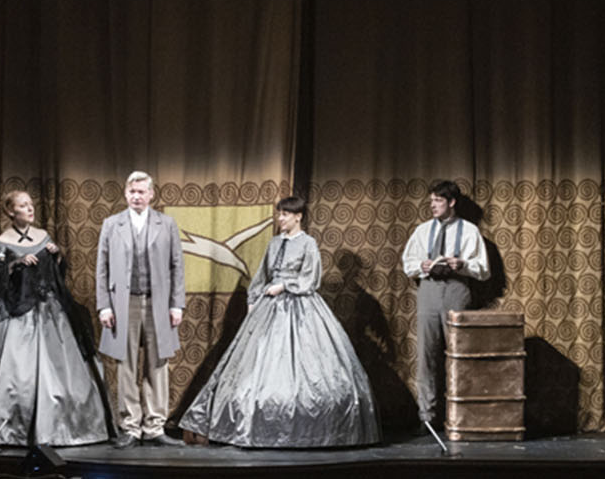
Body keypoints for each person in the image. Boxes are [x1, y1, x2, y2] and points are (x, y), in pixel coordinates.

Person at [179, 196, 381, 447]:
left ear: (298, 216)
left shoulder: (308, 243)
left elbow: (310, 278)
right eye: (279, 214)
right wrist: (254, 299)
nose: (280, 218)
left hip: (301, 307)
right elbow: (262, 275)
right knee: (255, 364)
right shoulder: (274, 243)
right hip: (269, 307)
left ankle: (308, 431)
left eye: (285, 214)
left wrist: (285, 285)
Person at [0, 191, 111, 446]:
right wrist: (16, 264)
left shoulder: (43, 236)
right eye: (23, 205)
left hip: (47, 310)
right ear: (11, 211)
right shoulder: (3, 241)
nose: (30, 208)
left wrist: (57, 256)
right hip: (14, 310)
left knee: (60, 372)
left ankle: (58, 427)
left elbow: (56, 275)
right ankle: (8, 427)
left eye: (31, 204)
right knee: (11, 371)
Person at [96, 171, 186, 447]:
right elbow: (102, 268)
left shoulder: (166, 224)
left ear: (151, 195)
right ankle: (131, 427)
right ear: (126, 193)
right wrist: (104, 306)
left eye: (141, 192)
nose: (136, 196)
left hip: (158, 302)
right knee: (125, 364)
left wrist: (176, 304)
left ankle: (155, 426)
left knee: (158, 363)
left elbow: (177, 265)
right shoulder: (112, 224)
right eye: (132, 191)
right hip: (124, 303)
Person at [400, 180, 488, 431]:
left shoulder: (469, 231)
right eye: (431, 201)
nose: (433, 205)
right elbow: (408, 263)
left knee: (460, 354)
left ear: (451, 202)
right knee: (427, 355)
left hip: (457, 290)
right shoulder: (422, 230)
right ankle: (427, 416)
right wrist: (422, 266)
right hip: (428, 290)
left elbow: (484, 270)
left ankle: (461, 415)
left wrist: (463, 265)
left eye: (438, 201)